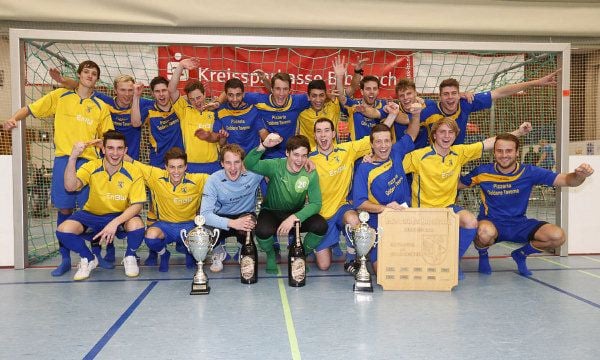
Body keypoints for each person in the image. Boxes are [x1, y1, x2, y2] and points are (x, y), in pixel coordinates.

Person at [3, 60, 114, 277]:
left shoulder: (101, 107)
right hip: (64, 159)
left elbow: (107, 136)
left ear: (97, 79)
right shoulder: (60, 97)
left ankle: (95, 254)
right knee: (64, 210)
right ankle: (64, 259)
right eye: (86, 72)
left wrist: (101, 144)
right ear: (79, 75)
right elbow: (30, 109)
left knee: (92, 211)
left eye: (94, 73)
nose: (90, 76)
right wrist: (13, 119)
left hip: (90, 163)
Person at [402, 118, 532, 279]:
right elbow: (392, 167)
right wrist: (371, 159)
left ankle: (452, 262)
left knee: (471, 222)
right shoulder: (418, 156)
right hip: (424, 211)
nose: (446, 136)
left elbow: (490, 143)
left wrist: (518, 132)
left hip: (448, 207)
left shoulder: (459, 153)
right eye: (442, 132)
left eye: (451, 132)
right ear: (434, 135)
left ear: (455, 135)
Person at [460, 133, 594, 276]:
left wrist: (579, 176)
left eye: (509, 151)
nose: (504, 155)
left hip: (520, 224)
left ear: (517, 152)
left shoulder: (530, 172)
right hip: (491, 223)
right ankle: (483, 254)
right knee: (484, 232)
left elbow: (567, 180)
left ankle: (521, 254)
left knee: (557, 236)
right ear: (494, 152)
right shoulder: (482, 172)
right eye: (500, 151)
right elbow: (457, 185)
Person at [309, 102, 405, 272]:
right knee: (324, 266)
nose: (323, 135)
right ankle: (326, 243)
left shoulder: (347, 150)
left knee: (355, 220)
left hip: (342, 208)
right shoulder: (308, 158)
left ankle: (352, 259)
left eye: (326, 131)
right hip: (321, 215)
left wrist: (392, 115)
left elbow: (376, 138)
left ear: (333, 134)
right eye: (319, 131)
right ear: (315, 136)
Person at [55, 130, 146, 280]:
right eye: (110, 148)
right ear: (103, 149)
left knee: (137, 225)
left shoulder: (134, 171)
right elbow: (70, 187)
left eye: (119, 148)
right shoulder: (91, 166)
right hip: (92, 215)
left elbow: (137, 205)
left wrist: (115, 223)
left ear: (125, 150)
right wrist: (73, 157)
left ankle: (130, 256)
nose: (115, 153)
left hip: (119, 215)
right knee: (63, 230)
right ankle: (88, 258)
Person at [351, 103, 421, 274]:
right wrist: (385, 209)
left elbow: (412, 133)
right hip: (379, 221)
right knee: (382, 271)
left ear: (392, 141)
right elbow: (360, 203)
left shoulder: (396, 152)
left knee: (415, 264)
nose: (383, 146)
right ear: (372, 145)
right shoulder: (364, 168)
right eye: (379, 142)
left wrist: (416, 114)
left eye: (387, 141)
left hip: (406, 217)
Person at [245, 134, 327, 274]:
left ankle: (301, 255)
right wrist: (263, 146)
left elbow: (316, 203)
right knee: (262, 230)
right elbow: (249, 164)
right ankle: (271, 255)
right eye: (296, 155)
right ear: (287, 153)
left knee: (321, 225)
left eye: (304, 155)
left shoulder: (310, 173)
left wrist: (295, 217)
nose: (300, 160)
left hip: (295, 213)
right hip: (271, 210)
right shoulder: (275, 165)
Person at [415, 71, 559, 149]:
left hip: (457, 156)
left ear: (460, 95)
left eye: (454, 93)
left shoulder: (467, 103)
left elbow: (499, 92)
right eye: (446, 94)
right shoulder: (428, 110)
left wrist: (537, 82)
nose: (450, 98)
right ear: (439, 97)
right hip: (430, 158)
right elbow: (408, 124)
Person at [132, 147, 209, 272]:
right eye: (172, 167)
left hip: (189, 226)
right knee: (150, 236)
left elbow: (219, 179)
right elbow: (133, 163)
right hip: (164, 226)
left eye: (180, 167)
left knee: (202, 236)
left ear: (186, 167)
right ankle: (163, 254)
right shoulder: (156, 176)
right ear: (166, 167)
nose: (176, 171)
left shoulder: (198, 180)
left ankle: (190, 252)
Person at [199, 144, 263, 272]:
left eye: (237, 162)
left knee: (249, 222)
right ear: (222, 163)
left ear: (242, 163)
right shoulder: (213, 180)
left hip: (244, 214)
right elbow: (204, 215)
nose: (233, 168)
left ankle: (243, 248)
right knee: (203, 230)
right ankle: (218, 253)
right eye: (228, 163)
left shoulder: (254, 174)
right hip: (221, 217)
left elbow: (280, 165)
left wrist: (307, 163)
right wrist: (233, 223)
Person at [168, 58, 225, 174]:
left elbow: (228, 90)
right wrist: (181, 66)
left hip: (213, 165)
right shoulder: (184, 111)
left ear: (204, 94)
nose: (196, 102)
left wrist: (218, 103)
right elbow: (171, 90)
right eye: (192, 99)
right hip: (191, 166)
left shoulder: (214, 112)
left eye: (198, 97)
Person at [334, 56, 390, 141]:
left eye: (374, 89)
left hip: (378, 151)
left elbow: (378, 115)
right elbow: (341, 97)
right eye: (368, 89)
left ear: (378, 91)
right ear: (362, 91)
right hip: (356, 152)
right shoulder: (354, 105)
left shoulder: (384, 105)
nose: (371, 92)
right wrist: (339, 77)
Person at [215, 78, 268, 155]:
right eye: (230, 95)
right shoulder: (220, 111)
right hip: (231, 160)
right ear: (226, 95)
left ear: (243, 94)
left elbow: (262, 132)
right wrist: (222, 137)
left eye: (238, 95)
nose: (234, 99)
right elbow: (221, 143)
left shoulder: (253, 110)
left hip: (251, 159)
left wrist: (270, 139)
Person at [296, 79, 341, 151]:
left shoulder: (333, 107)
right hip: (310, 156)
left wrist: (339, 75)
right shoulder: (301, 112)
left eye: (321, 95)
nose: (318, 100)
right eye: (314, 96)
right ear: (308, 96)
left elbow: (349, 90)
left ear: (325, 95)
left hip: (332, 155)